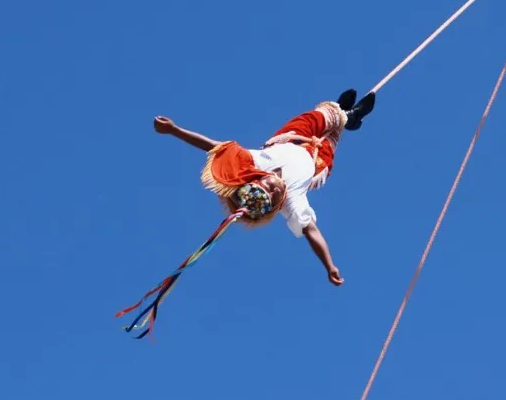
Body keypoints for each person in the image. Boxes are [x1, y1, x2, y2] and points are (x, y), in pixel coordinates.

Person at [153, 90, 376, 287]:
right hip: (317, 160)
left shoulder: (256, 164)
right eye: (274, 194)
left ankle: (342, 114)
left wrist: (174, 130)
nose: (275, 187)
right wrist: (329, 265)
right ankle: (350, 117)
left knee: (320, 116)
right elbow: (311, 231)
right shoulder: (291, 200)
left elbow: (213, 146)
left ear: (258, 181)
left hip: (291, 137)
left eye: (267, 185)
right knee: (332, 136)